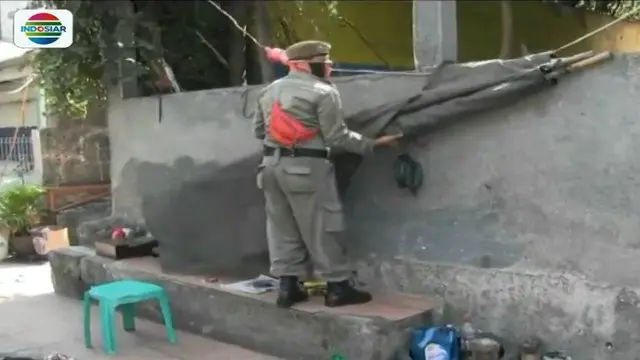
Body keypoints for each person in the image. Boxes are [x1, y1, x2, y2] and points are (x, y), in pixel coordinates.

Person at [252, 40, 401, 308]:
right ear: (304, 64)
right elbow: (338, 137)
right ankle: (338, 289)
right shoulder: (323, 92)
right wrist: (373, 144)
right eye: (323, 61)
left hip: (270, 168)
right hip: (307, 169)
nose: (329, 65)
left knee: (282, 228)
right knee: (324, 226)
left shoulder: (268, 91)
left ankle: (288, 287)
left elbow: (259, 132)